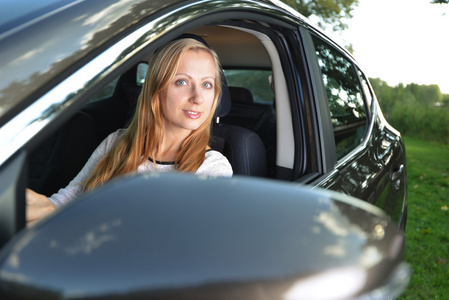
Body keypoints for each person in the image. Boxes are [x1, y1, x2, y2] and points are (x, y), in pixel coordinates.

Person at [26, 37, 233, 225]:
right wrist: (38, 206)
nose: (197, 97)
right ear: (156, 90)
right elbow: (69, 199)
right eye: (182, 82)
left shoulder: (213, 168)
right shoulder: (116, 143)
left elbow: (169, 243)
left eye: (207, 84)